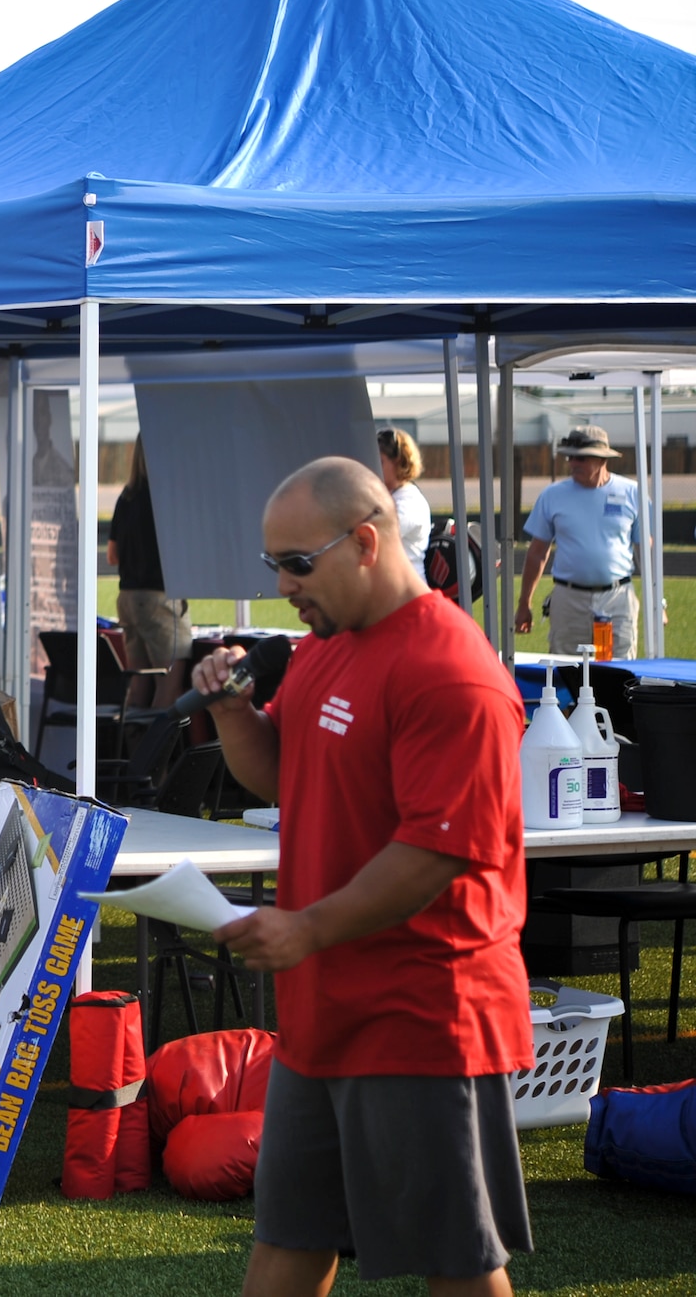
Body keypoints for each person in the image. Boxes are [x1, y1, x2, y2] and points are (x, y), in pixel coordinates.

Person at [195, 457, 531, 1295]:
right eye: (271, 563)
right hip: (327, 1006)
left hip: (421, 1010)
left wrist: (306, 926)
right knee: (290, 1237)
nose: (281, 584)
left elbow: (436, 852)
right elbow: (286, 775)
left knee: (456, 1259)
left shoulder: (452, 671)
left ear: (368, 542)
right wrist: (233, 712)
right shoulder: (326, 648)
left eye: (296, 563)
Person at [514, 424, 642, 658]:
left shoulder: (633, 492)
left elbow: (646, 552)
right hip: (568, 599)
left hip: (618, 598)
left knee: (620, 673)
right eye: (570, 457)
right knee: (566, 672)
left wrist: (659, 603)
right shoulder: (552, 495)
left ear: (602, 459)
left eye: (581, 459)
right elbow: (537, 553)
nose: (573, 463)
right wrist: (525, 603)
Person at [106, 437, 192, 710]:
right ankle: (159, 752)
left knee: (139, 685)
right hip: (159, 597)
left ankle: (136, 751)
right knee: (169, 686)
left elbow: (112, 556)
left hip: (128, 597)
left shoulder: (126, 497)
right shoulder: (168, 495)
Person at [377, 427, 429, 568]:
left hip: (406, 588)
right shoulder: (391, 494)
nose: (375, 467)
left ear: (398, 462)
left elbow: (379, 536)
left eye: (380, 462)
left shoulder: (410, 502)